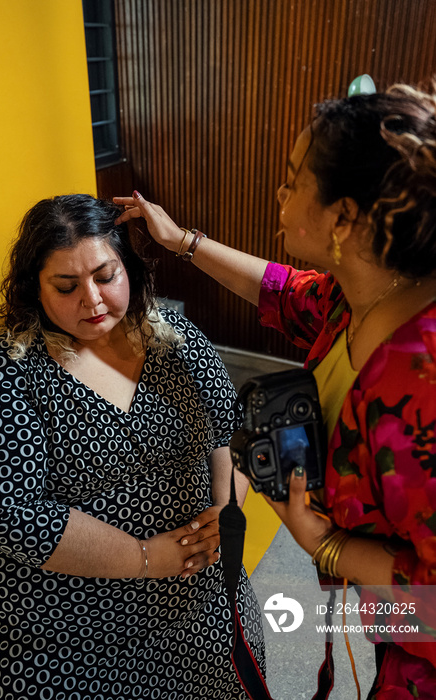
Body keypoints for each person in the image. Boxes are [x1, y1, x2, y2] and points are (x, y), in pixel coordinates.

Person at [114, 79, 436, 698]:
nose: (280, 195)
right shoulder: (368, 293)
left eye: (293, 181)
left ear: (343, 217)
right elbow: (283, 290)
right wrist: (180, 240)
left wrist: (326, 545)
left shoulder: (420, 384)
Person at [0, 194, 266, 700]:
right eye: (66, 286)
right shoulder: (3, 372)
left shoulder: (176, 342)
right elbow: (7, 513)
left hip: (194, 602)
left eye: (105, 276)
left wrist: (226, 506)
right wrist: (145, 556)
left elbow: (230, 434)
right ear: (33, 290)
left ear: (128, 267)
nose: (92, 300)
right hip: (57, 632)